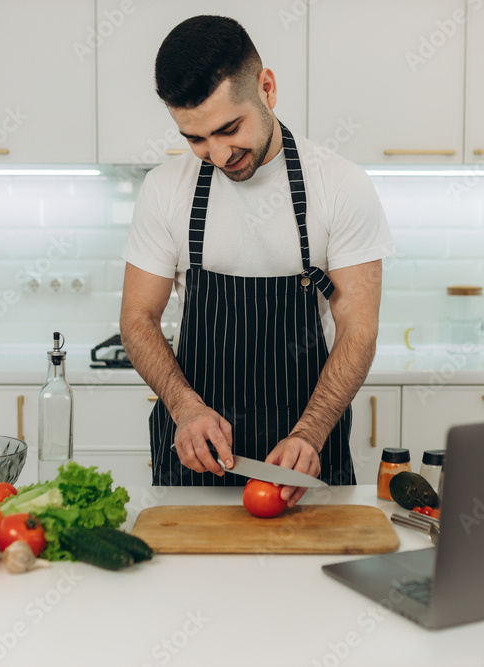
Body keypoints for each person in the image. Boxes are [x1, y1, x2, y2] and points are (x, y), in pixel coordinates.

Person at [119, 15, 394, 507]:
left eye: (229, 128)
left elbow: (360, 329)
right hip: (193, 459)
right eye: (196, 139)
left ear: (266, 88)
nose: (219, 154)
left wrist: (310, 434)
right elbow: (137, 319)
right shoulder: (165, 190)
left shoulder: (341, 186)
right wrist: (184, 408)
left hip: (303, 460)